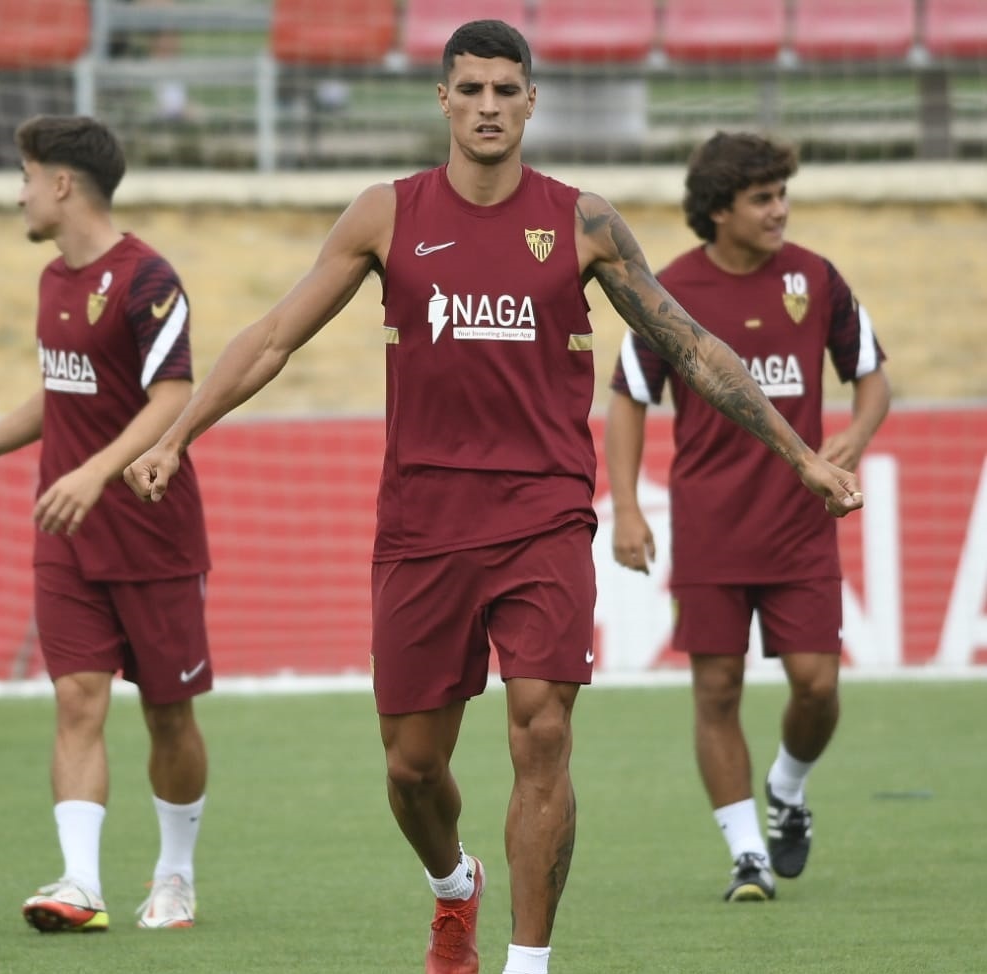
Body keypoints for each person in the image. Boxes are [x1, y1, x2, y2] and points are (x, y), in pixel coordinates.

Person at [122, 20, 865, 974]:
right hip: (422, 522)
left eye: (504, 90)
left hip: (544, 514)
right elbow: (273, 338)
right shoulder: (385, 214)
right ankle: (452, 887)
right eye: (469, 89)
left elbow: (692, 346)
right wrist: (178, 437)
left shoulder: (584, 222)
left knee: (543, 727)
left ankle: (527, 962)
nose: (486, 106)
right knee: (412, 767)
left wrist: (800, 453)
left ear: (530, 101)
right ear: (442, 98)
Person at [0, 114, 211, 932]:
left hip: (154, 536)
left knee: (168, 713)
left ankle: (175, 874)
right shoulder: (54, 281)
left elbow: (171, 396)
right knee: (77, 701)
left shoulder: (149, 279)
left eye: (24, 176)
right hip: (67, 536)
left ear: (60, 183)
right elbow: (62, 394)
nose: (17, 193)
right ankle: (80, 884)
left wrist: (95, 471)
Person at [605, 131, 890, 903]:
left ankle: (788, 791)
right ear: (720, 210)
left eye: (782, 194)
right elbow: (629, 395)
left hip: (800, 523)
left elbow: (872, 380)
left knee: (817, 686)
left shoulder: (816, 279)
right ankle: (745, 856)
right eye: (763, 198)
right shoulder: (667, 288)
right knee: (718, 688)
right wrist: (626, 506)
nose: (780, 210)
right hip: (710, 526)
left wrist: (856, 438)